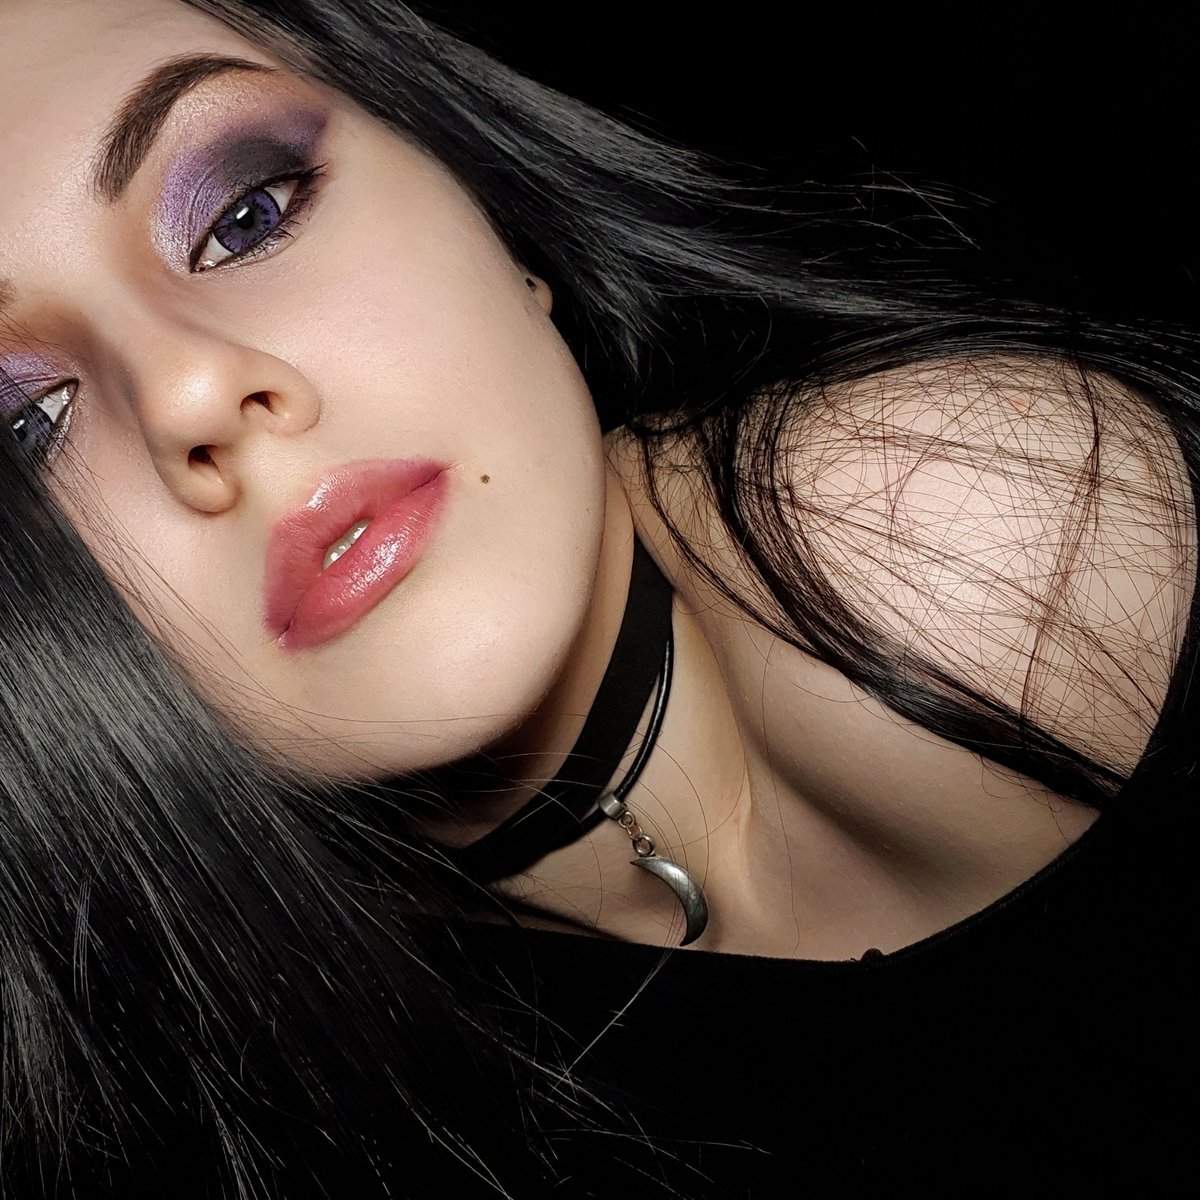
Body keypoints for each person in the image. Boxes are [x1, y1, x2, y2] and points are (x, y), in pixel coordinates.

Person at [0, 1, 1193, 1195]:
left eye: (247, 214)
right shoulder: (211, 1113)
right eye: (25, 430)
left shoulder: (942, 531)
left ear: (485, 202)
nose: (193, 391)